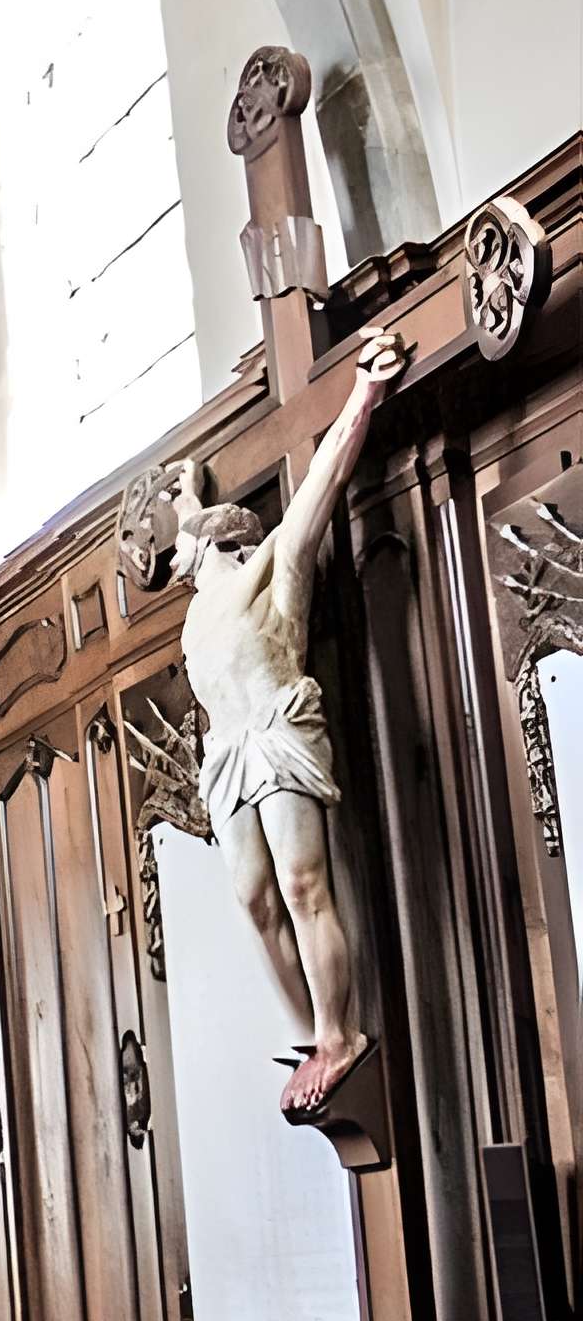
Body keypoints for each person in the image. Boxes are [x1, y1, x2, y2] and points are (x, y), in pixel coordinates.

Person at [171, 327, 410, 1119]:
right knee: (254, 897)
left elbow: (320, 483)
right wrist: (182, 492)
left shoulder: (273, 564)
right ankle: (310, 1029)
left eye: (190, 541)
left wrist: (362, 396)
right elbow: (182, 522)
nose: (176, 555)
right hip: (229, 752)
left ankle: (342, 1033)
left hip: (275, 727)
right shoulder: (196, 614)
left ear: (216, 541)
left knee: (305, 883)